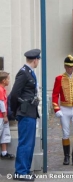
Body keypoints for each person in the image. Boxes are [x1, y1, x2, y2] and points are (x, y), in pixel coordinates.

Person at [10, 49, 41, 181]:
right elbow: (14, 94)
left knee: (30, 143)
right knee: (25, 143)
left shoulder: (29, 72)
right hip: (25, 112)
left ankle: (25, 170)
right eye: (38, 60)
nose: (38, 62)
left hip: (30, 112)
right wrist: (15, 111)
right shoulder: (23, 73)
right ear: (35, 60)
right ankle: (20, 172)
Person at [52, 55, 73, 166]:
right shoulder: (59, 78)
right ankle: (67, 157)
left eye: (71, 67)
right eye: (68, 67)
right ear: (65, 67)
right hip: (65, 108)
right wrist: (56, 108)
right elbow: (55, 95)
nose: (70, 69)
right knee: (65, 133)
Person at [0, 71, 15, 160]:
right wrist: (5, 115)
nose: (9, 81)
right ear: (3, 80)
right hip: (1, 116)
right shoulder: (0, 90)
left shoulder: (3, 89)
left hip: (3, 117)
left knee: (5, 134)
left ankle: (4, 152)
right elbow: (1, 103)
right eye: (8, 79)